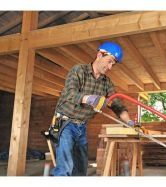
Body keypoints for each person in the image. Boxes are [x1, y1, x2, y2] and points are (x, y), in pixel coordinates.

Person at [51, 41, 135, 176]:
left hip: (81, 127)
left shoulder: (106, 82)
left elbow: (117, 104)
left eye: (113, 64)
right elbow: (69, 94)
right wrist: (89, 98)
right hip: (65, 123)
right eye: (109, 61)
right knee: (65, 167)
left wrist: (129, 122)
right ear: (99, 55)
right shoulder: (79, 70)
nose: (110, 67)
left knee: (80, 169)